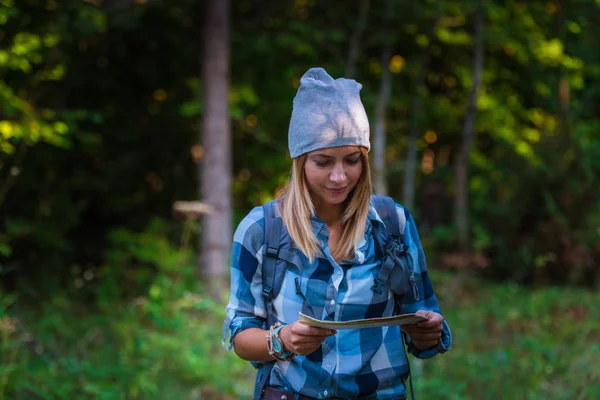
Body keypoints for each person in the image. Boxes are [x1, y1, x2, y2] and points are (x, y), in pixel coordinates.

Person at [222, 67, 452, 400]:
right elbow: (241, 335)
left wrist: (429, 331)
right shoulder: (261, 229)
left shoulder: (393, 223)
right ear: (300, 161)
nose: (339, 177)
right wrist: (283, 340)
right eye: (323, 161)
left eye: (352, 160)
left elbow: (424, 328)